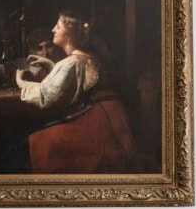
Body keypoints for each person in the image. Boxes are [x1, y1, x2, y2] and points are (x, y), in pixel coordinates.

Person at [15, 10, 135, 173]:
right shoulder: (85, 57)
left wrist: (21, 82)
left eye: (58, 26)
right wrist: (51, 65)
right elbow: (72, 83)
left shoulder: (72, 62)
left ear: (69, 35)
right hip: (106, 116)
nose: (52, 30)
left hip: (94, 122)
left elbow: (45, 96)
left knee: (29, 141)